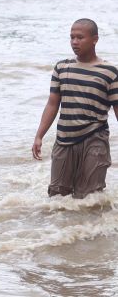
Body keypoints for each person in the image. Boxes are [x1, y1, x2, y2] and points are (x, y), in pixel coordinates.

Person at [32, 19, 118, 198]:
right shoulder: (62, 68)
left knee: (90, 198)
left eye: (80, 37)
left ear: (95, 39)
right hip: (64, 140)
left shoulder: (110, 72)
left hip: (95, 138)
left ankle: (92, 227)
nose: (74, 42)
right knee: (57, 196)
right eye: (72, 37)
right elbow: (52, 104)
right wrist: (39, 135)